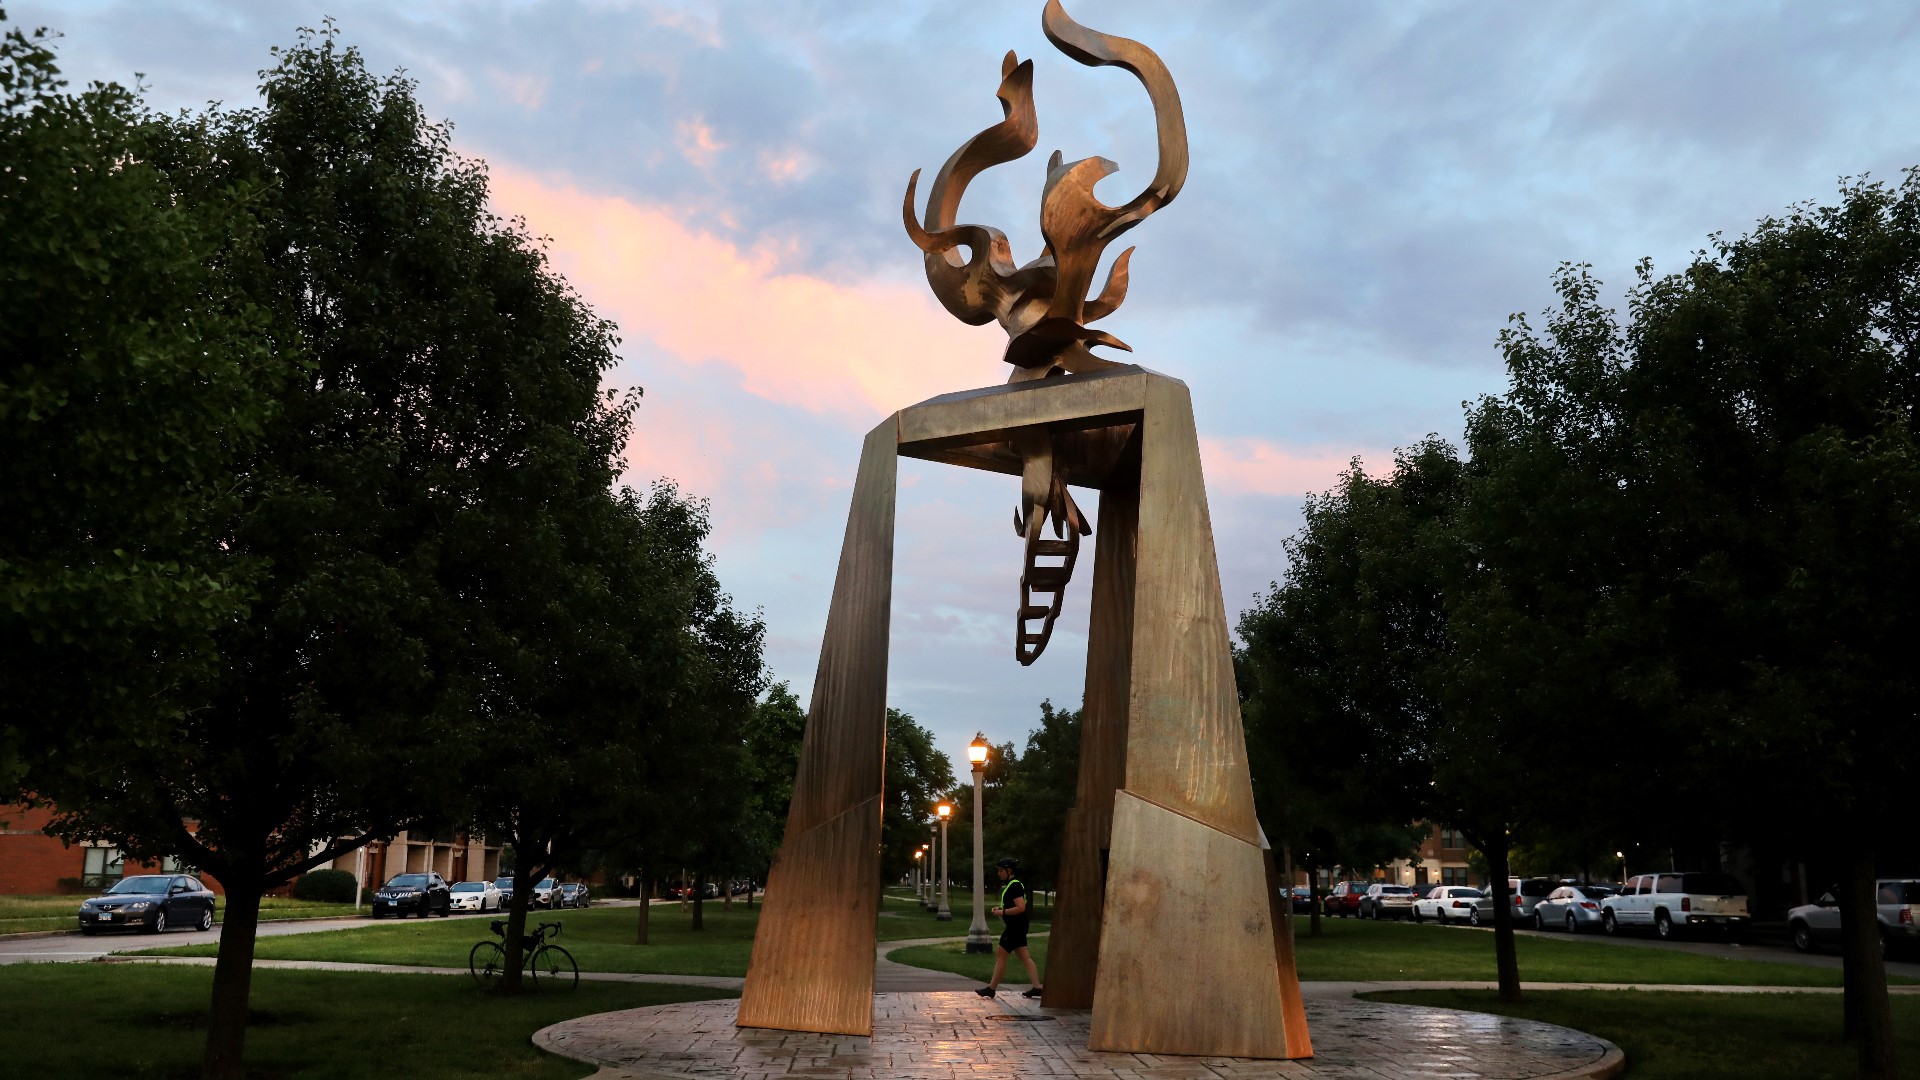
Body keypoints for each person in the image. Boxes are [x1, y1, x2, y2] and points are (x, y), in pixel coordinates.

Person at [975, 857, 1042, 998]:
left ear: (1009, 871)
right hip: (1018, 926)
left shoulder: (1015, 885)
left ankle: (991, 988)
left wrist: (1002, 912)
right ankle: (1037, 987)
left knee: (1001, 954)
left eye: (1001, 870)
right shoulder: (1012, 885)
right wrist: (1001, 909)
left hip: (1015, 927)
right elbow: (1014, 906)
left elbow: (1021, 907)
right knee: (1024, 956)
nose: (999, 873)